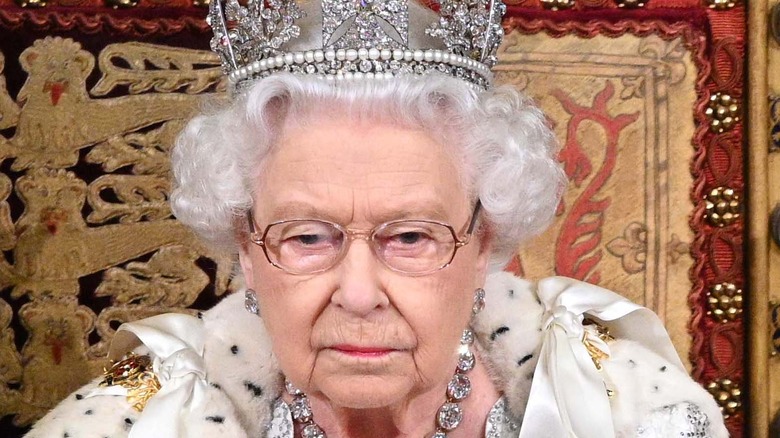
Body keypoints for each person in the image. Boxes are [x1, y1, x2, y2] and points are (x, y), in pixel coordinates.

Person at [24, 0, 729, 437]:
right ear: (246, 246)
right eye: (306, 237)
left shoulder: (628, 411)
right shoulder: (138, 422)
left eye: (412, 236)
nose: (358, 293)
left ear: (483, 245)